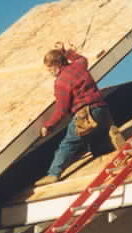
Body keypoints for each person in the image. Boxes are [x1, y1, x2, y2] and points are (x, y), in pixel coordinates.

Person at [35, 44, 126, 186]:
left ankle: (53, 174)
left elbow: (61, 109)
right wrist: (66, 52)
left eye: (50, 68)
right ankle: (111, 136)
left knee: (68, 143)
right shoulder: (79, 66)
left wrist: (49, 125)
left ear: (57, 64)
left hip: (85, 115)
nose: (50, 72)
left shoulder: (61, 82)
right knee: (97, 144)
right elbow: (82, 58)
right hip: (102, 110)